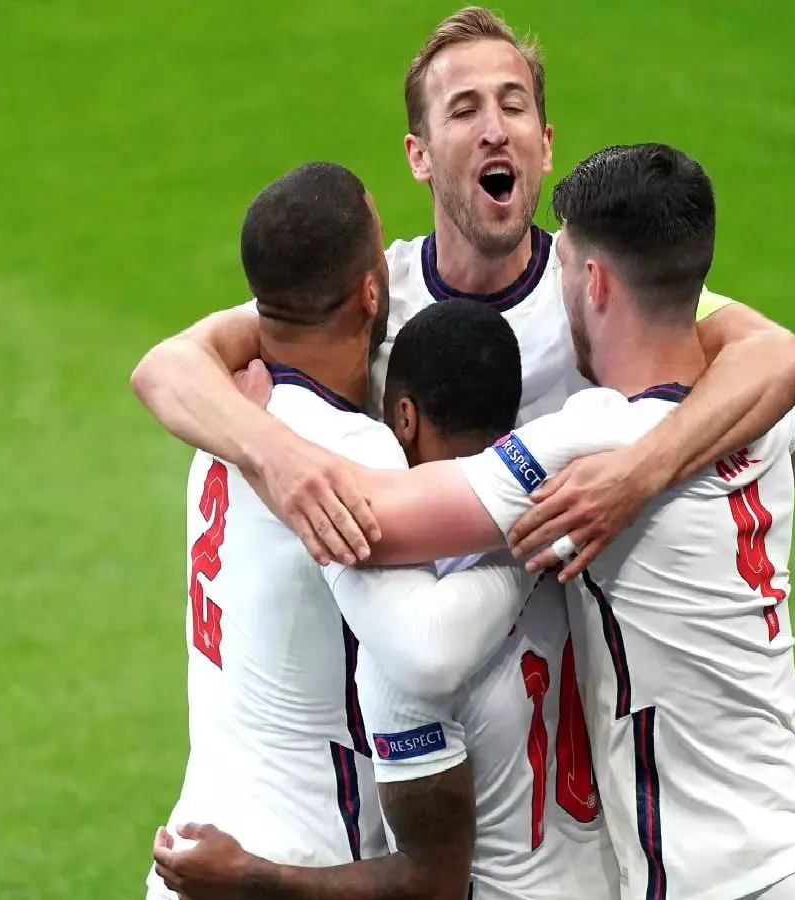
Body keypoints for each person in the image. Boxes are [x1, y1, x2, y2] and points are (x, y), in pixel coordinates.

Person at [263, 143, 795, 899]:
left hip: (718, 876)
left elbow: (373, 522)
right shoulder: (756, 411)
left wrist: (263, 438)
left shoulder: (590, 439)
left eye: (565, 267)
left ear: (597, 282)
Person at [128, 6, 795, 582]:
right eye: (464, 110)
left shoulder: (598, 295)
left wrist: (639, 471)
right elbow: (168, 367)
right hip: (421, 706)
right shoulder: (371, 296)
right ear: (418, 155)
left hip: (570, 723)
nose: (495, 128)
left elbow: (784, 370)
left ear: (544, 146)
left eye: (513, 106)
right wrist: (275, 457)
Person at [148, 164, 546, 899]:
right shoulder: (344, 449)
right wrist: (530, 541)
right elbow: (428, 652)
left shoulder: (226, 411)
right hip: (291, 857)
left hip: (196, 839)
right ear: (370, 292)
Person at [154, 301, 620, 900]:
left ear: (402, 416)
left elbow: (431, 882)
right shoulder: (599, 515)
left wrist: (267, 461)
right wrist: (540, 532)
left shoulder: (399, 647)